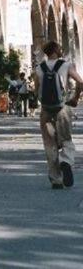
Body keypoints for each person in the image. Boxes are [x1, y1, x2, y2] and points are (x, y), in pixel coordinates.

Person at [34, 41, 82, 189]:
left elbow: (36, 91)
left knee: (49, 144)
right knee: (66, 139)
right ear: (57, 50)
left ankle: (56, 179)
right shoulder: (66, 65)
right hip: (62, 108)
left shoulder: (39, 69)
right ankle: (66, 161)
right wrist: (74, 98)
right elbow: (81, 82)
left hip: (46, 110)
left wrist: (42, 101)